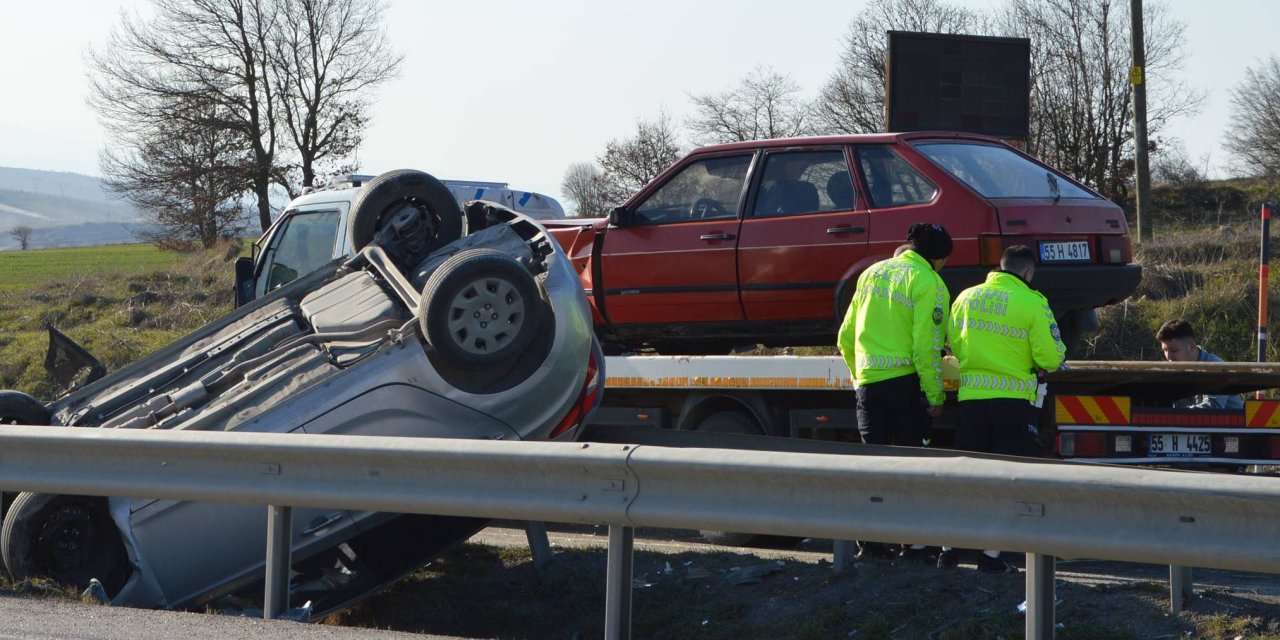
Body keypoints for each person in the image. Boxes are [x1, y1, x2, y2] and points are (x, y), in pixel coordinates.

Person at [943, 245, 1066, 573]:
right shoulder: (1033, 301)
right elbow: (1050, 358)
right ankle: (990, 555)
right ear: (1028, 272)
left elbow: (953, 345)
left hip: (971, 400)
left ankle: (949, 548)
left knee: (967, 477)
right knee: (1008, 479)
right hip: (1013, 403)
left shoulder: (965, 297)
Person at [837, 222, 952, 559]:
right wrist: (935, 395)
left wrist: (860, 377)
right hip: (905, 385)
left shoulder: (871, 273)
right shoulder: (929, 282)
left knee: (874, 466)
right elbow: (925, 348)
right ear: (938, 258)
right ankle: (913, 546)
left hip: (869, 385)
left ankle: (870, 543)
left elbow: (845, 338)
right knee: (909, 467)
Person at [1156, 319, 1245, 410]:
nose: (1168, 356)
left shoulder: (1216, 368)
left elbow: (1213, 407)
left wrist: (1174, 413)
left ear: (1191, 347)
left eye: (1173, 350)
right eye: (1165, 350)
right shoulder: (1175, 370)